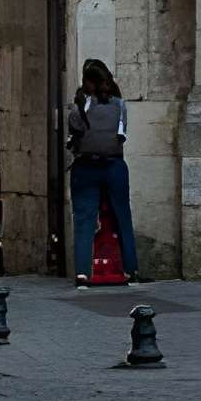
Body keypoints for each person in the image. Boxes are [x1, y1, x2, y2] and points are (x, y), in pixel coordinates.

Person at [66, 57, 139, 285]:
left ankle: (82, 272)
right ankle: (131, 269)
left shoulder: (82, 105)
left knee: (84, 220)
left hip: (86, 166)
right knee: (122, 217)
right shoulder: (119, 104)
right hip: (114, 164)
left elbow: (75, 129)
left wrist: (80, 105)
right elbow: (121, 135)